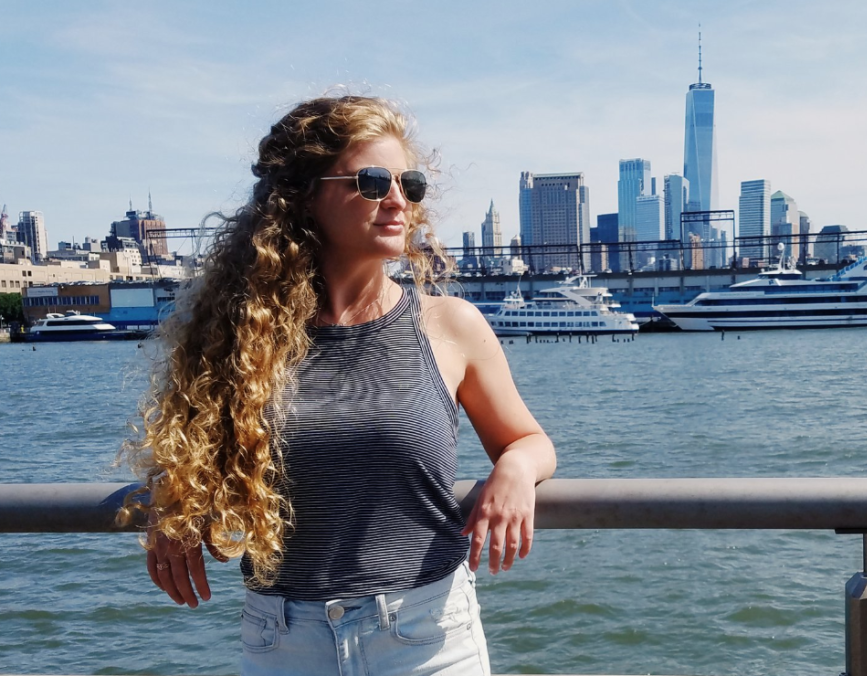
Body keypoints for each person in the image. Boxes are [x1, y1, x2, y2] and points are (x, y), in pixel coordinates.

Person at [119, 95, 556, 676]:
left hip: (428, 638)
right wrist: (175, 504)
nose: (399, 199)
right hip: (284, 641)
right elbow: (197, 450)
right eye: (372, 181)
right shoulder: (237, 334)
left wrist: (516, 470)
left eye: (411, 183)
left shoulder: (449, 325)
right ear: (302, 194)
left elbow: (528, 440)